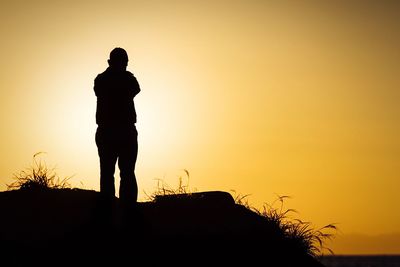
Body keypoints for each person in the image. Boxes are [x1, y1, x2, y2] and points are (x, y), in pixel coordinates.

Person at [94, 47, 140, 204]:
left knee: (123, 172)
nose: (124, 66)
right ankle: (111, 209)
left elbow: (135, 89)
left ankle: (126, 209)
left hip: (121, 131)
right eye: (122, 63)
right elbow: (133, 89)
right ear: (110, 62)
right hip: (113, 131)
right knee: (111, 172)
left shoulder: (105, 79)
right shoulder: (104, 80)